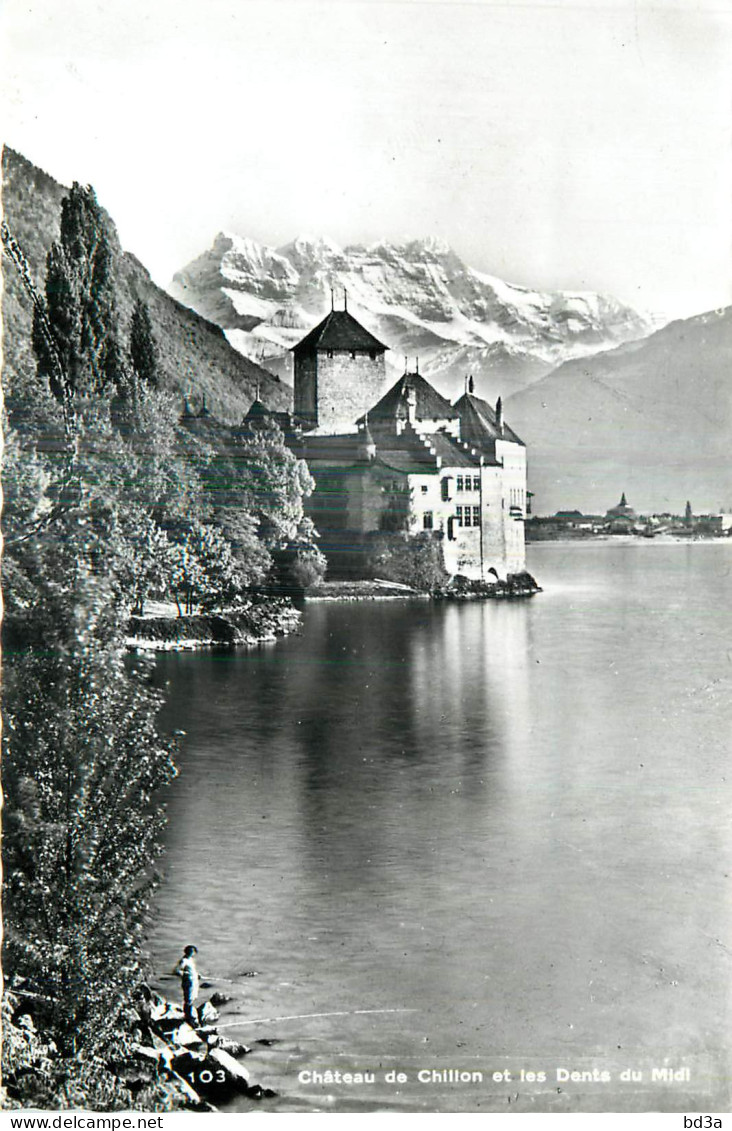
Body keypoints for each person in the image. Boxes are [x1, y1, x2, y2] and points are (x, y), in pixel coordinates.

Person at [174, 944, 200, 1029]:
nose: (193, 953)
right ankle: (188, 1017)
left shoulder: (190, 960)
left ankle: (189, 1016)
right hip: (188, 982)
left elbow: (191, 970)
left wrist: (196, 975)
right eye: (191, 951)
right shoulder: (184, 960)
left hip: (193, 982)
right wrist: (185, 974)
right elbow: (176, 970)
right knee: (188, 999)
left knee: (192, 998)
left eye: (193, 952)